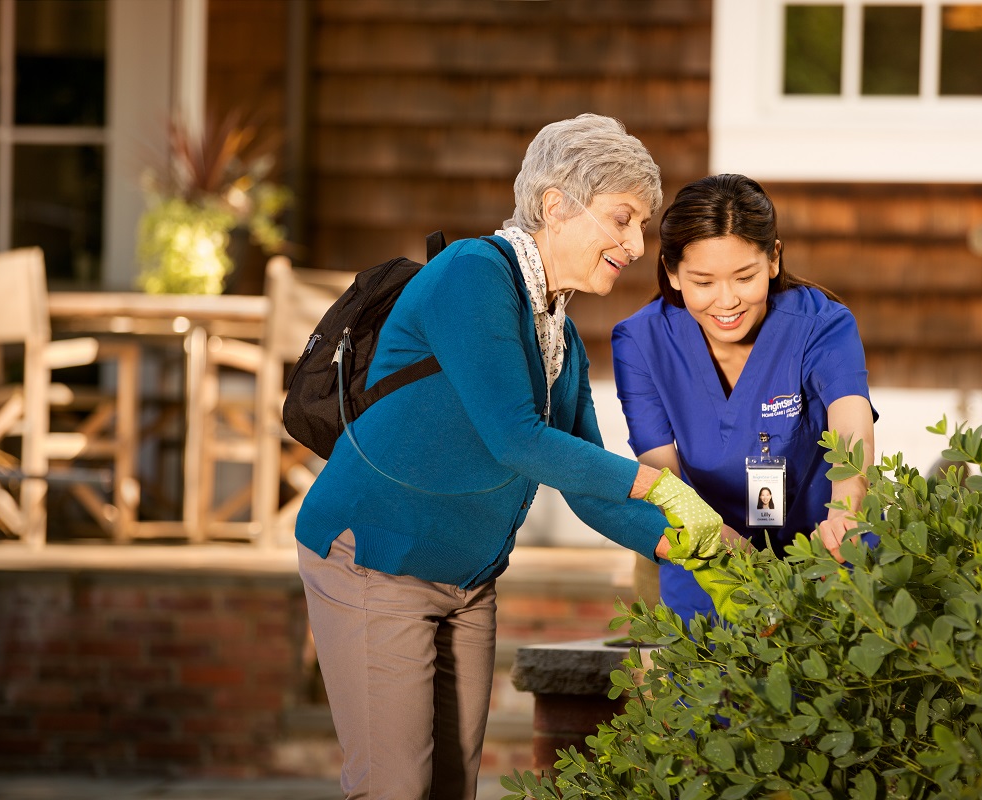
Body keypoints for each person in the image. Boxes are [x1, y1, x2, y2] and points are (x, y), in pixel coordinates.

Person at [294, 115, 723, 800]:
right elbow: (517, 439)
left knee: (450, 788)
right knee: (394, 786)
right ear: (556, 206)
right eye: (621, 220)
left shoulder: (560, 338)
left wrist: (689, 546)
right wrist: (661, 486)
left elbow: (584, 482)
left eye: (640, 225)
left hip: (467, 581)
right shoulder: (472, 275)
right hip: (374, 555)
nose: (636, 245)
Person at [612, 173, 877, 622]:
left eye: (744, 276)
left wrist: (847, 505)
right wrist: (717, 542)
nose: (727, 301)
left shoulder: (822, 324)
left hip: (825, 545)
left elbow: (850, 419)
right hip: (705, 552)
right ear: (673, 273)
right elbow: (659, 469)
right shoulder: (640, 341)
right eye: (703, 281)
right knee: (703, 684)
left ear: (773, 259)